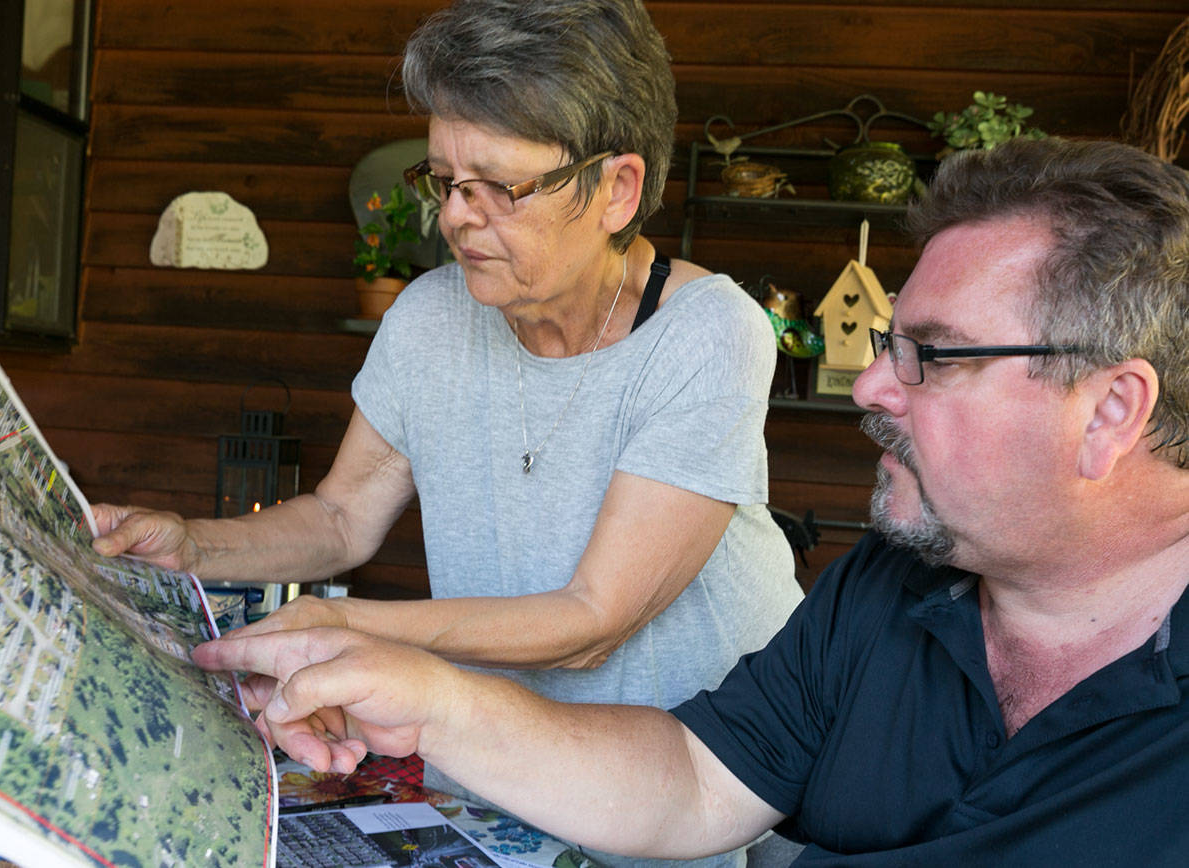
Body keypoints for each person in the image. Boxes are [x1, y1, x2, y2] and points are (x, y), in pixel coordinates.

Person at [192, 135, 1189, 865]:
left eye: (930, 355)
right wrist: (431, 700)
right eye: (888, 344)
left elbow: (594, 624)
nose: (878, 388)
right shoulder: (889, 585)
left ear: (1110, 412)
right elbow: (699, 778)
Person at [92, 1, 802, 863]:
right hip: (505, 787)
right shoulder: (432, 317)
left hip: (697, 792)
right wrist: (191, 546)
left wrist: (353, 635)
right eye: (444, 182)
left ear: (617, 189)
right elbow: (339, 518)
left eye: (499, 186)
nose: (457, 218)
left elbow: (592, 621)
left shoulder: (707, 331)